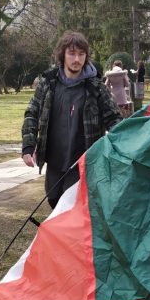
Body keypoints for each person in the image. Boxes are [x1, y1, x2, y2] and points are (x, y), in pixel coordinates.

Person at [21, 31, 123, 208]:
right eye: (72, 53)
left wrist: (126, 142)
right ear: (63, 55)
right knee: (54, 200)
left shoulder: (96, 87)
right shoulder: (48, 83)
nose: (77, 59)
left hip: (82, 163)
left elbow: (114, 120)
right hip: (54, 160)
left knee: (70, 208)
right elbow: (32, 113)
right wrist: (28, 147)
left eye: (81, 54)